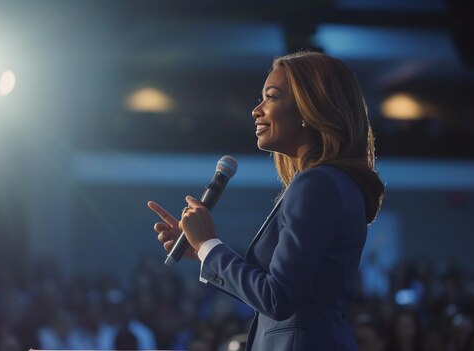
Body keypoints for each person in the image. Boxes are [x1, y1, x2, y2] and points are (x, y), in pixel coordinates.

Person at [148, 51, 384, 350]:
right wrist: (202, 250)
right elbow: (284, 292)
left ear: (310, 108)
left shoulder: (317, 183)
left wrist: (210, 244)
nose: (256, 110)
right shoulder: (335, 183)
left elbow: (278, 298)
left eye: (271, 97)